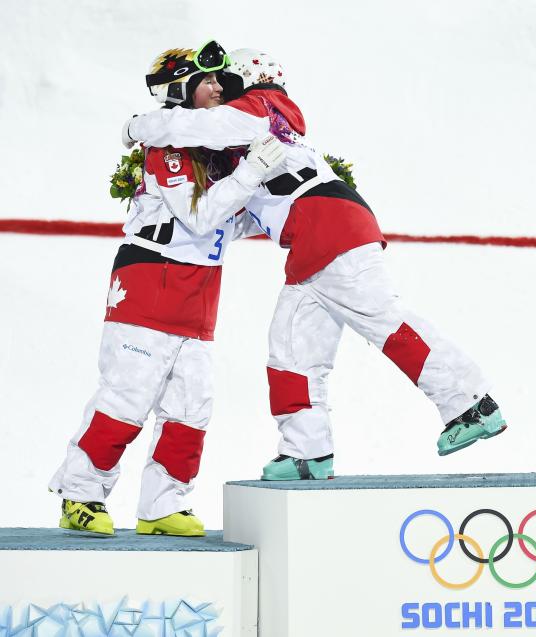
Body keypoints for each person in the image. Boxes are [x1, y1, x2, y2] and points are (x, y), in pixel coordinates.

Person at [121, 48, 506, 479]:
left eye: (225, 81)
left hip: (326, 226)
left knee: (384, 321)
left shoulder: (259, 105)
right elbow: (244, 210)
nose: (219, 90)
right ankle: (307, 451)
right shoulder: (251, 130)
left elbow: (193, 124)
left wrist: (137, 127)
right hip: (313, 237)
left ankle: (471, 402)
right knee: (290, 348)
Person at [49, 42, 287, 536]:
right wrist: (252, 172)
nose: (220, 88)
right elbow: (199, 215)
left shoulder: (215, 150)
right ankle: (81, 495)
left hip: (198, 292)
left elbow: (227, 222)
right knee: (128, 396)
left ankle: (162, 505)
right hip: (150, 281)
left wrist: (292, 213)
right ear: (179, 88)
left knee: (192, 405)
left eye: (221, 80)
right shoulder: (169, 146)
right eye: (209, 81)